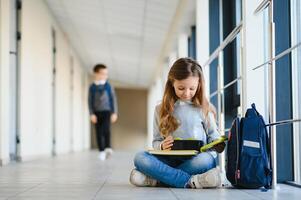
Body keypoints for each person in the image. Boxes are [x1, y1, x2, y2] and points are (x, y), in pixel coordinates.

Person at [129, 57, 225, 188]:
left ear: (199, 86)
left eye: (192, 88)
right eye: (181, 88)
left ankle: (157, 180)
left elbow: (214, 140)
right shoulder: (160, 110)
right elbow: (156, 141)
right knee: (140, 157)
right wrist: (162, 146)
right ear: (172, 83)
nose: (186, 93)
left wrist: (216, 144)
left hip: (194, 160)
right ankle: (192, 181)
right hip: (168, 160)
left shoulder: (204, 109)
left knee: (206, 160)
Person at [88, 64, 118, 161]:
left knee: (106, 129)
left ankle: (108, 147)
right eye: (103, 73)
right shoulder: (92, 87)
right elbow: (90, 101)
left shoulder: (108, 86)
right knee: (98, 131)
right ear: (96, 74)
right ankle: (101, 150)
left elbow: (113, 99)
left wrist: (114, 113)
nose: (105, 75)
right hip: (96, 112)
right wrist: (91, 113)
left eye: (106, 74)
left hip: (107, 111)